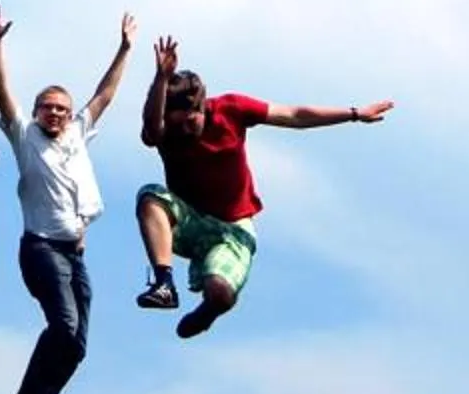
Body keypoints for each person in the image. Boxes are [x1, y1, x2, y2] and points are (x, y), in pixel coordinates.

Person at [134, 38, 394, 339]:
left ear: (200, 108)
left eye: (189, 122)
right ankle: (164, 284)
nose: (184, 131)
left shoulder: (231, 109)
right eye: (175, 123)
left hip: (233, 230)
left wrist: (353, 113)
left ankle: (209, 310)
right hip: (190, 219)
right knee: (150, 196)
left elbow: (294, 115)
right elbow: (152, 131)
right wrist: (161, 79)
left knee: (219, 293)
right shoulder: (166, 129)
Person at [0, 2, 136, 394]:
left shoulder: (76, 134)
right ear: (35, 112)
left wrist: (124, 49)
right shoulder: (25, 136)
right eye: (48, 107)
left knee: (78, 345)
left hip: (75, 254)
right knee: (63, 327)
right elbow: (1, 94)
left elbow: (104, 96)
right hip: (40, 249)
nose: (56, 114)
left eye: (62, 109)